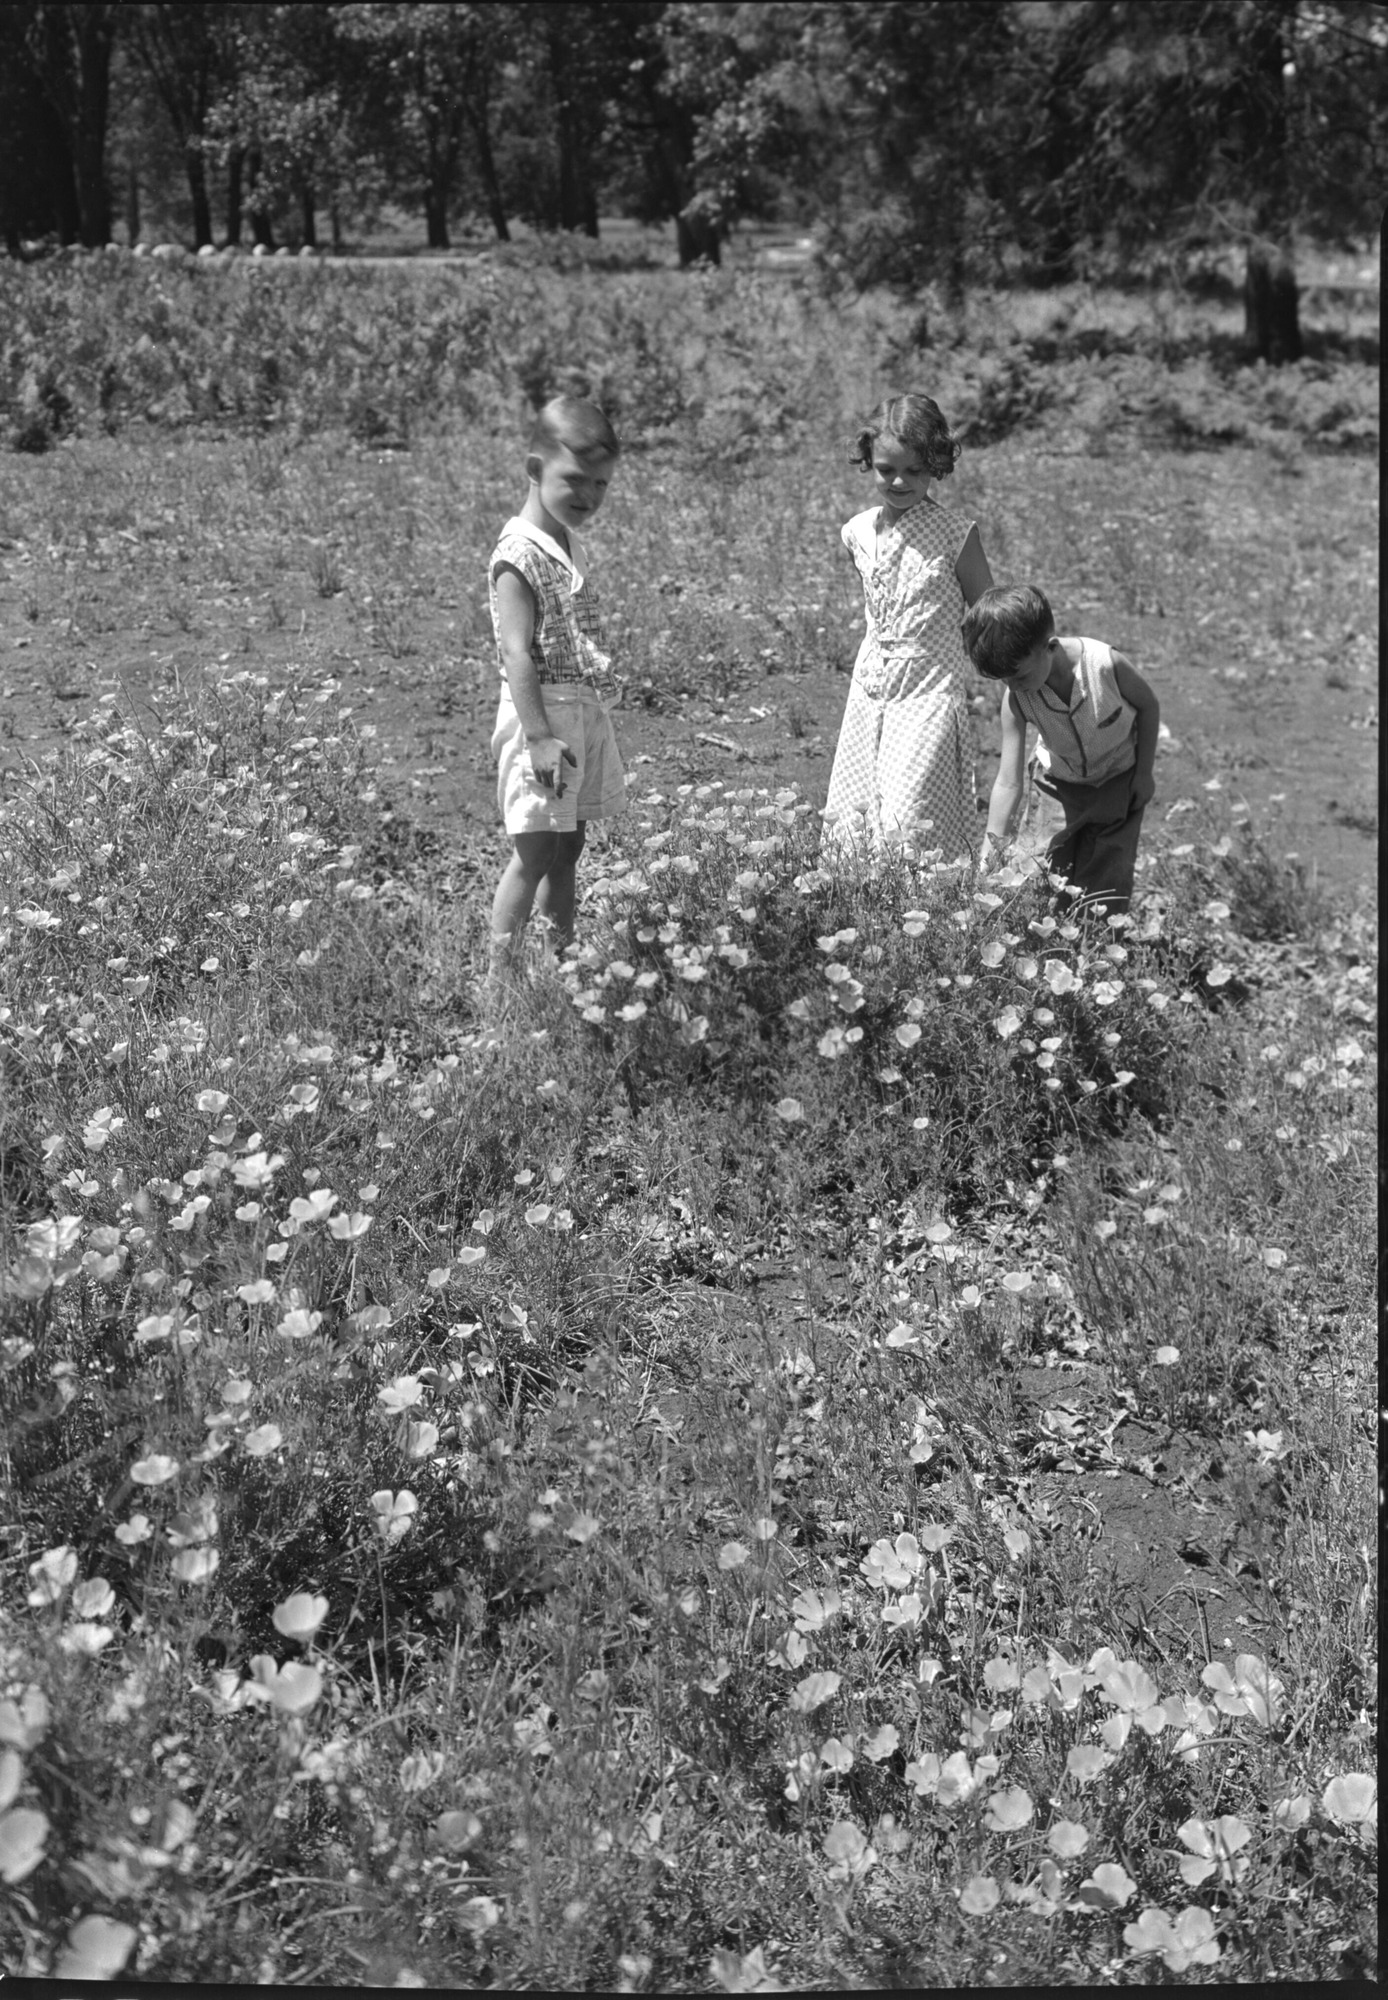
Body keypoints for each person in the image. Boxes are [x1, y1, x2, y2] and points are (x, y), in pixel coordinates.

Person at [486, 396, 625, 984]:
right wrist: (539, 738)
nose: (588, 495)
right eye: (575, 479)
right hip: (542, 716)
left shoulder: (565, 540)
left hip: (579, 712)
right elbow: (515, 651)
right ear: (534, 468)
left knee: (569, 846)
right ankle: (502, 979)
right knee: (535, 851)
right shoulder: (517, 553)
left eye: (600, 484)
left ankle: (561, 964)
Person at [822, 393, 995, 862]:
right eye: (886, 469)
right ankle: (861, 907)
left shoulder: (956, 534)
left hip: (929, 691)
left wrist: (1012, 682)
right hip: (871, 687)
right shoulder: (857, 531)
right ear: (868, 461)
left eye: (915, 471)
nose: (899, 481)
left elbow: (988, 611)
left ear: (935, 464)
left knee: (909, 811)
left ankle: (925, 917)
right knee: (860, 809)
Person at [961, 583, 1159, 916]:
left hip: (1117, 780)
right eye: (1003, 681)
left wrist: (1144, 774)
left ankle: (1095, 952)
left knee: (1106, 880)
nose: (1012, 687)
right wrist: (988, 854)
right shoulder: (1017, 698)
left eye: (1018, 676)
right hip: (1056, 789)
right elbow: (1008, 782)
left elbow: (1149, 706)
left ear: (1050, 647)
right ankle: (1048, 947)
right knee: (1040, 873)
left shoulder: (1105, 666)